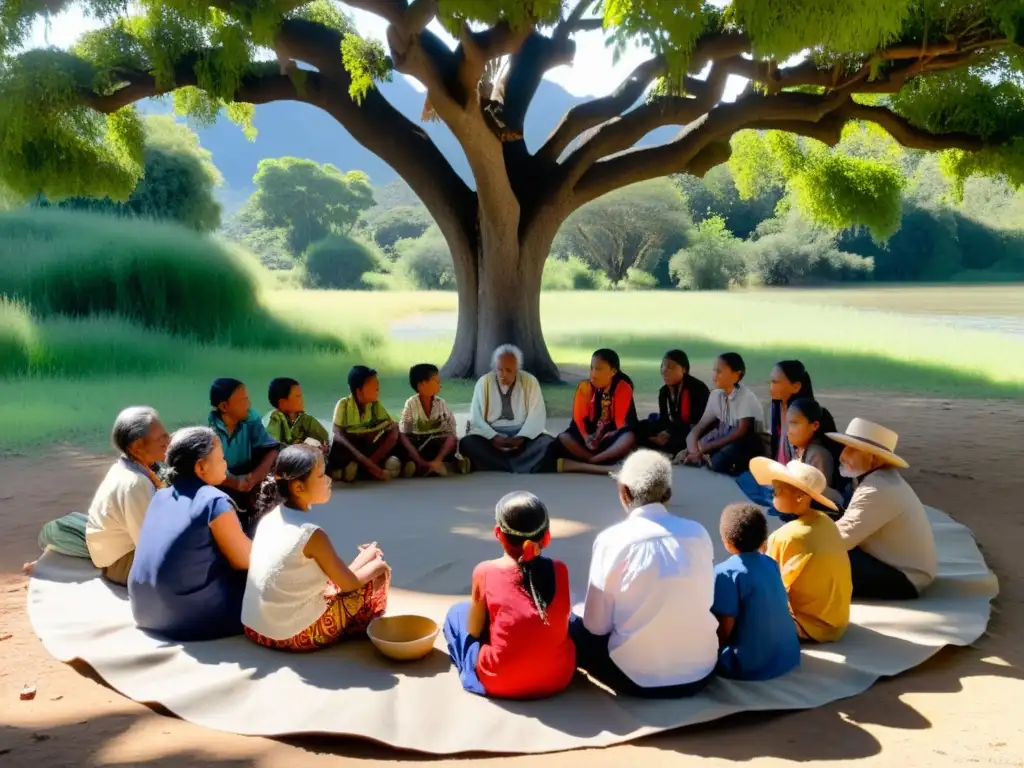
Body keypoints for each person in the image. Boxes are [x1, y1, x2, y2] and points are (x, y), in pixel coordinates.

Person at [571, 449, 718, 697]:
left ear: (624, 492)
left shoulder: (612, 540)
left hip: (633, 677)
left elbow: (596, 626)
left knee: (573, 623)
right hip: (702, 672)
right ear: (668, 493)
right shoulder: (698, 533)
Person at [242, 445, 391, 651]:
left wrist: (366, 557)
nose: (328, 479)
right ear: (298, 487)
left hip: (255, 627)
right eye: (321, 475)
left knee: (351, 568)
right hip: (291, 635)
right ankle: (358, 624)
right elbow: (347, 584)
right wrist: (377, 566)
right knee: (374, 574)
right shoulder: (311, 534)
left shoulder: (271, 517)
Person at [443, 491, 575, 699]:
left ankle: (471, 674)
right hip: (558, 678)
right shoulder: (560, 570)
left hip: (500, 681)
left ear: (498, 533)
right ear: (547, 537)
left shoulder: (485, 571)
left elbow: (474, 630)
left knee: (458, 613)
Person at [128, 427, 252, 641]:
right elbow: (245, 561)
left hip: (143, 612)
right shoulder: (214, 501)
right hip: (186, 618)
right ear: (201, 466)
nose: (226, 464)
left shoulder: (160, 496)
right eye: (221, 458)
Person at [27, 407, 169, 585]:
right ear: (136, 446)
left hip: (107, 548)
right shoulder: (136, 484)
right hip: (119, 563)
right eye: (160, 438)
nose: (168, 441)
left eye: (166, 435)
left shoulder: (129, 466)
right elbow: (148, 545)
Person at [827, 418, 938, 600]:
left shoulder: (877, 488)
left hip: (905, 579)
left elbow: (842, 538)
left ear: (874, 458)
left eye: (852, 449)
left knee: (819, 556)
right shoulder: (880, 480)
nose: (842, 456)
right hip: (905, 571)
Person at [751, 457, 852, 643]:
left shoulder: (787, 536)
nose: (773, 492)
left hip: (807, 624)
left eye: (778, 489)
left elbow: (769, 586)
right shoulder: (826, 522)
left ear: (800, 496)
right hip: (837, 620)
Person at [712, 503, 801, 680]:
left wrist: (712, 653)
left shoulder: (724, 573)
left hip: (748, 665)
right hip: (789, 656)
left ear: (727, 542)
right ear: (763, 541)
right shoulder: (771, 563)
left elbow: (724, 627)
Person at [459, 344, 555, 474]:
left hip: (522, 438)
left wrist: (521, 437)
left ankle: (498, 465)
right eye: (500, 369)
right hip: (492, 438)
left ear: (517, 369)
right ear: (494, 368)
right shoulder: (484, 383)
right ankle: (521, 464)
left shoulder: (530, 381)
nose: (503, 374)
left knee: (548, 443)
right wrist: (493, 437)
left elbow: (536, 415)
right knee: (467, 443)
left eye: (509, 370)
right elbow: (476, 417)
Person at [555, 348, 638, 475]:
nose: (593, 374)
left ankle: (593, 461)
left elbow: (625, 422)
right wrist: (587, 437)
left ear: (613, 371)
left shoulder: (622, 388)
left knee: (629, 437)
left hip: (611, 438)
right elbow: (578, 420)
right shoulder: (585, 388)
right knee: (564, 437)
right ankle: (595, 460)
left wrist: (607, 433)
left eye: (598, 369)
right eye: (592, 368)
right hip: (589, 441)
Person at [678, 352, 764, 475]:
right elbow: (699, 427)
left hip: (746, 442)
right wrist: (694, 450)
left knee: (718, 461)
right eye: (714, 370)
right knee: (692, 446)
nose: (714, 375)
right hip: (725, 438)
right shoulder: (715, 395)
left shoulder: (745, 397)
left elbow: (740, 432)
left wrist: (706, 448)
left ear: (736, 375)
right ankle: (702, 457)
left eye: (719, 371)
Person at [208, 378, 280, 524]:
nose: (248, 405)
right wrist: (236, 483)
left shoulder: (250, 420)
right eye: (242, 401)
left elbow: (272, 450)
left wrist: (254, 478)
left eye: (247, 399)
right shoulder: (210, 434)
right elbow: (212, 472)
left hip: (249, 475)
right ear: (224, 406)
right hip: (224, 481)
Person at [327, 365, 401, 483]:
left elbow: (391, 425)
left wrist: (370, 463)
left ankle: (359, 469)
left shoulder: (375, 405)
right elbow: (337, 434)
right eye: (373, 385)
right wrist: (367, 462)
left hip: (367, 448)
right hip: (350, 449)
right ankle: (359, 469)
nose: (377, 388)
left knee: (395, 431)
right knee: (339, 444)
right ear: (359, 390)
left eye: (377, 384)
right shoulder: (343, 404)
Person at [398, 363, 468, 477]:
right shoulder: (411, 404)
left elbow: (451, 428)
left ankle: (435, 463)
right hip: (418, 445)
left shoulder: (440, 403)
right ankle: (423, 463)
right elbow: (404, 431)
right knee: (404, 440)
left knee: (451, 439)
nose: (440, 384)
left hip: (436, 443)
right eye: (436, 381)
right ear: (422, 385)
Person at [768, 360, 840, 469]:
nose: (771, 387)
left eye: (775, 382)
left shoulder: (816, 454)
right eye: (770, 382)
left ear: (796, 387)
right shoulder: (777, 409)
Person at [636, 349, 710, 457]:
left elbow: (696, 420)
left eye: (670, 367)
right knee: (640, 427)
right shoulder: (664, 391)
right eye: (663, 366)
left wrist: (669, 432)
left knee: (682, 438)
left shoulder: (696, 388)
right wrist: (662, 433)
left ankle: (661, 445)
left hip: (695, 429)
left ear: (684, 370)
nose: (664, 370)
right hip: (674, 428)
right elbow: (664, 420)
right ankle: (660, 443)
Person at [264, 377, 330, 450]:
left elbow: (325, 439)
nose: (302, 400)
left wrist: (324, 447)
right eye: (298, 396)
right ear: (283, 402)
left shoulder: (307, 420)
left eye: (301, 396)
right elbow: (272, 445)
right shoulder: (275, 419)